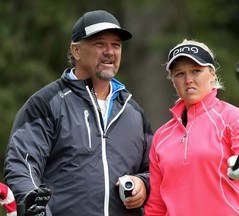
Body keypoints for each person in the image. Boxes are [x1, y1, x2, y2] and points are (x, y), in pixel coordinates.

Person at [4, 10, 153, 216]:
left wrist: (143, 183)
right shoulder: (46, 103)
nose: (110, 51)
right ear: (76, 50)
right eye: (100, 44)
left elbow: (156, 170)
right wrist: (36, 210)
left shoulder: (133, 111)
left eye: (116, 45)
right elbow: (22, 168)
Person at [144, 39, 239, 216]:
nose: (188, 80)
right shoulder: (162, 136)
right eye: (179, 74)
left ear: (212, 74)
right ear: (172, 81)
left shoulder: (232, 118)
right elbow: (156, 205)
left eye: (196, 71)